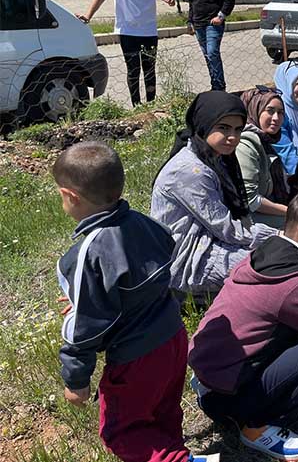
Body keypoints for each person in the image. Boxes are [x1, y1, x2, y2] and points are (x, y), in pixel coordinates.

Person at [53, 142, 219, 462]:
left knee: (122, 431)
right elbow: (156, 264)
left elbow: (84, 328)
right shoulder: (144, 223)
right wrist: (89, 295)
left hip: (135, 357)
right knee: (163, 412)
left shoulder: (86, 253)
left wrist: (76, 379)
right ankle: (174, 450)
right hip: (172, 339)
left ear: (70, 196)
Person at [188, 188, 298, 461]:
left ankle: (236, 401)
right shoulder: (295, 283)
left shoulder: (265, 252)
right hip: (225, 398)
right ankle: (256, 426)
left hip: (208, 377)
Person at [152, 91, 278, 295]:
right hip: (189, 258)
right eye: (223, 128)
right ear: (204, 124)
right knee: (272, 266)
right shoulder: (191, 171)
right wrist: (279, 236)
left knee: (277, 257)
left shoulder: (214, 157)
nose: (233, 137)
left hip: (210, 240)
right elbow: (227, 229)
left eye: (238, 130)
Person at [76, 0, 175, 106]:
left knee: (149, 70)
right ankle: (136, 106)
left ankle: (152, 104)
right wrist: (88, 15)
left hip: (149, 29)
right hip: (127, 30)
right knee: (133, 70)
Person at [236, 86, 291, 229]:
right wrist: (290, 212)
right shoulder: (246, 144)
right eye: (270, 111)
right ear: (255, 109)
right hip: (247, 218)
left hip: (262, 207)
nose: (276, 118)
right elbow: (251, 200)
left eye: (280, 113)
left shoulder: (265, 139)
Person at [188, 0, 235, 91]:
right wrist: (189, 22)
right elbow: (192, 3)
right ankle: (215, 85)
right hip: (198, 24)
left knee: (212, 53)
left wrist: (221, 16)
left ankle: (220, 87)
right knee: (208, 56)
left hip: (213, 24)